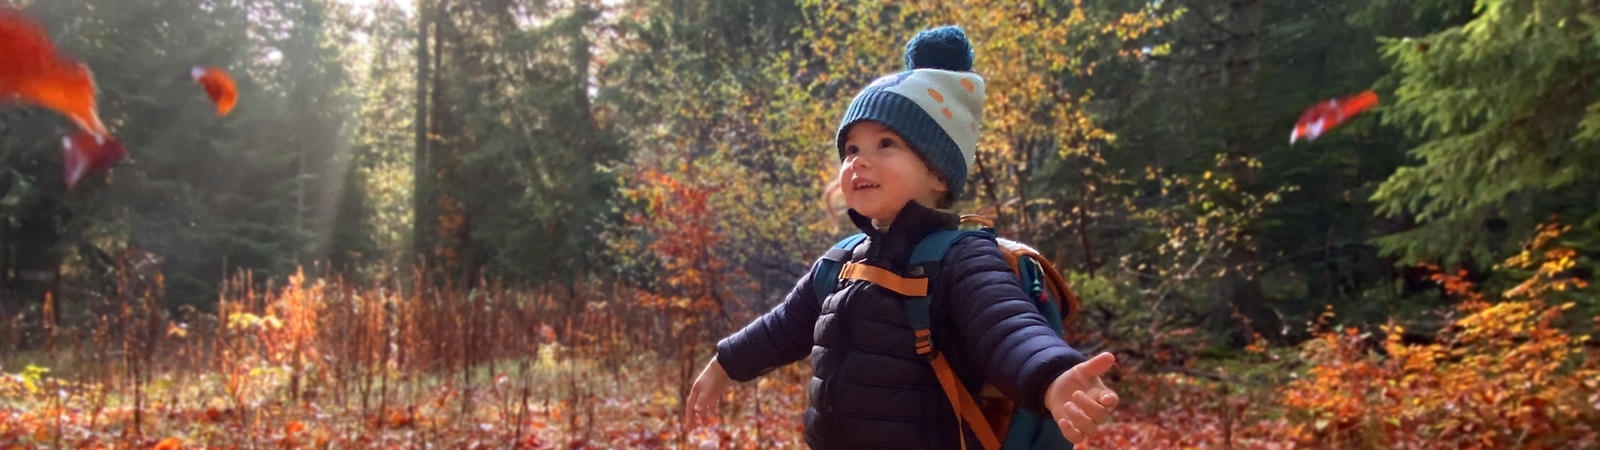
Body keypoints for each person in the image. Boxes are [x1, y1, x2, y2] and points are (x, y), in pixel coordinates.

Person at [685, 25, 1120, 449]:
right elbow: (783, 328)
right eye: (851, 149)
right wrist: (725, 363)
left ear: (937, 171)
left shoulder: (961, 257)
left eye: (885, 144)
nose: (859, 162)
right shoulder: (841, 263)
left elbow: (1007, 328)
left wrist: (1053, 377)